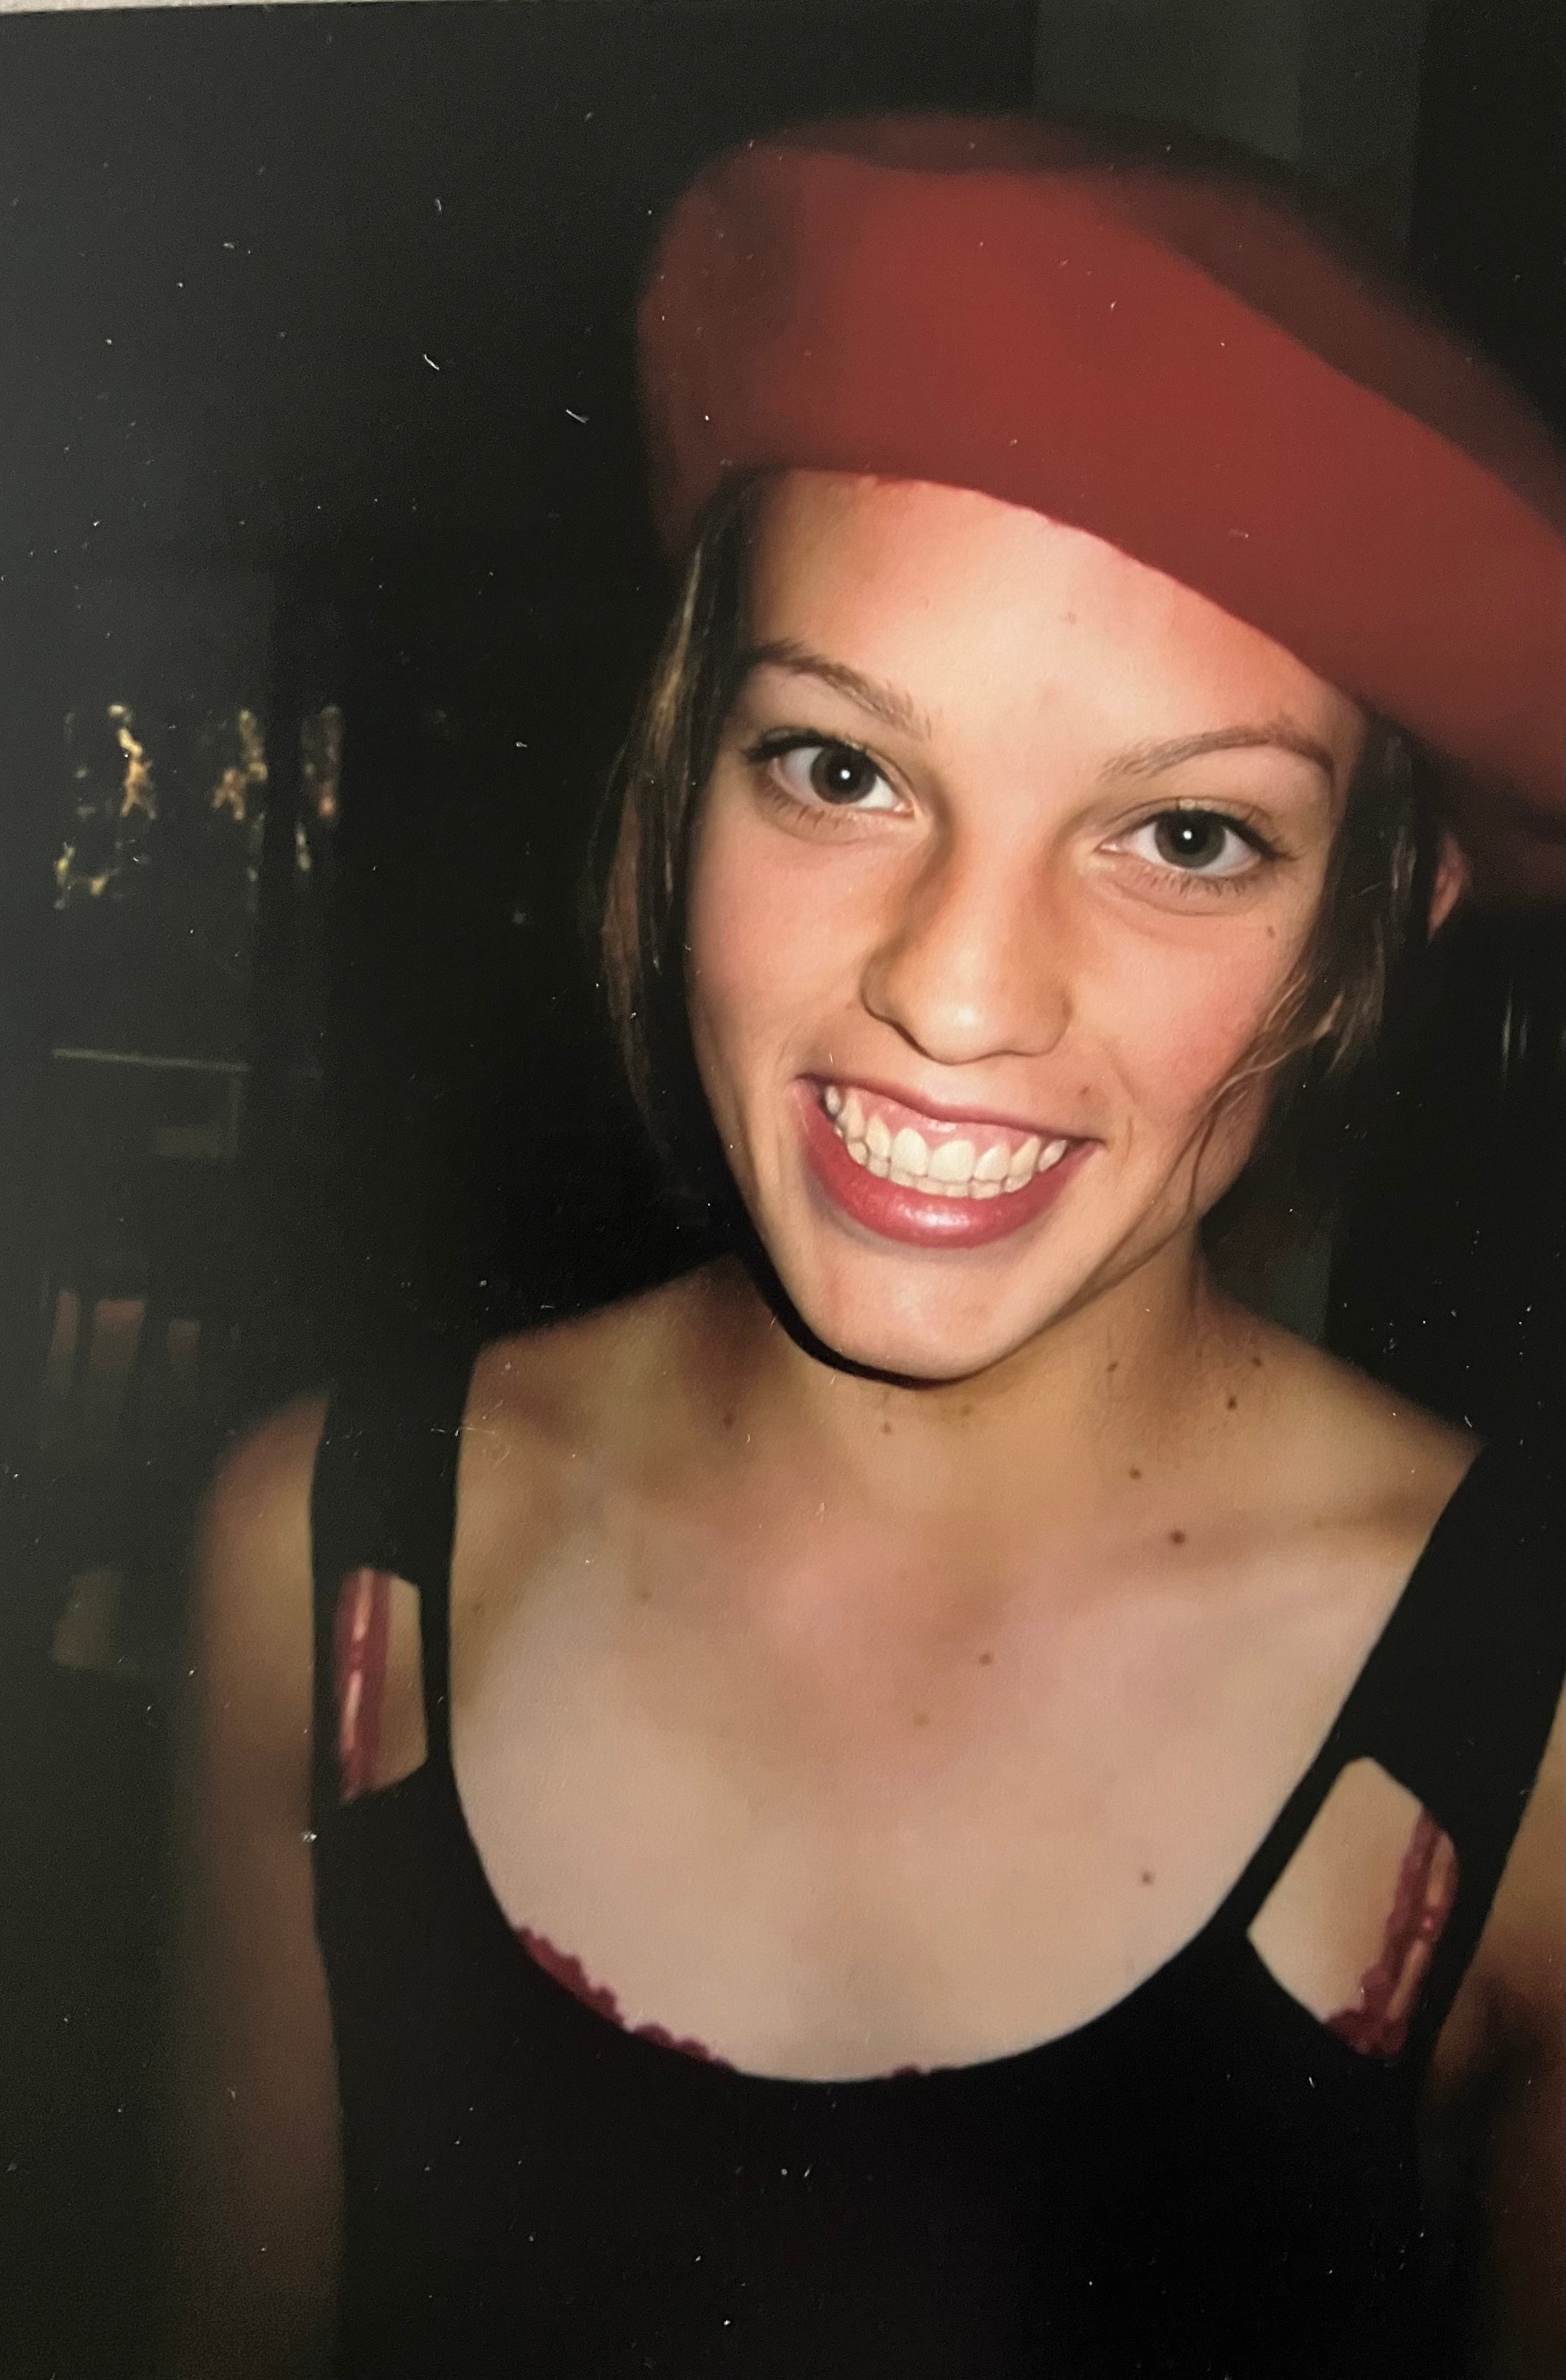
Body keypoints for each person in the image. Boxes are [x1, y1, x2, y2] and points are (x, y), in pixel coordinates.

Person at [168, 117, 1565, 2380]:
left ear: (1380, 920)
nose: (959, 991)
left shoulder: (1534, 1737)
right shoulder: (322, 1573)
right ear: (679, 775)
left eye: (1186, 835)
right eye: (841, 772)